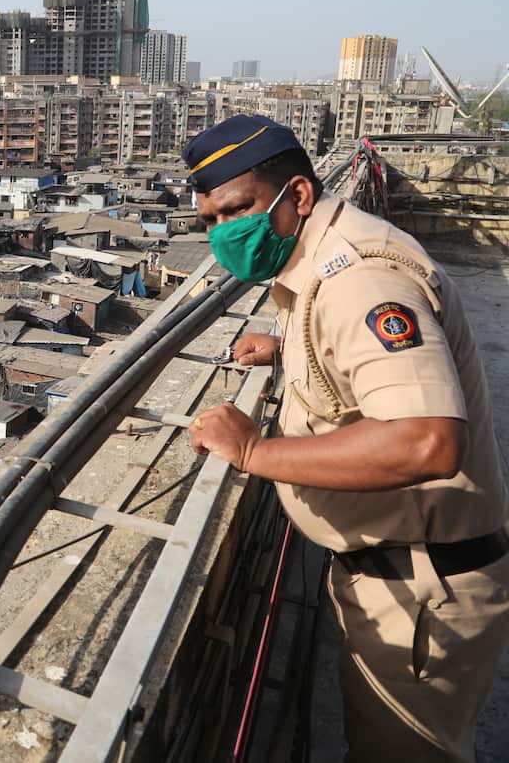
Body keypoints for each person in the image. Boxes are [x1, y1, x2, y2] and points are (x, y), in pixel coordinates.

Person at [183, 115, 509, 762]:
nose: (224, 234)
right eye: (210, 220)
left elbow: (427, 441)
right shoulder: (327, 260)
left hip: (421, 590)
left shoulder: (359, 277)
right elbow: (357, 358)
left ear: (299, 195)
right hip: (396, 571)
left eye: (237, 210)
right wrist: (291, 349)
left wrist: (254, 453)